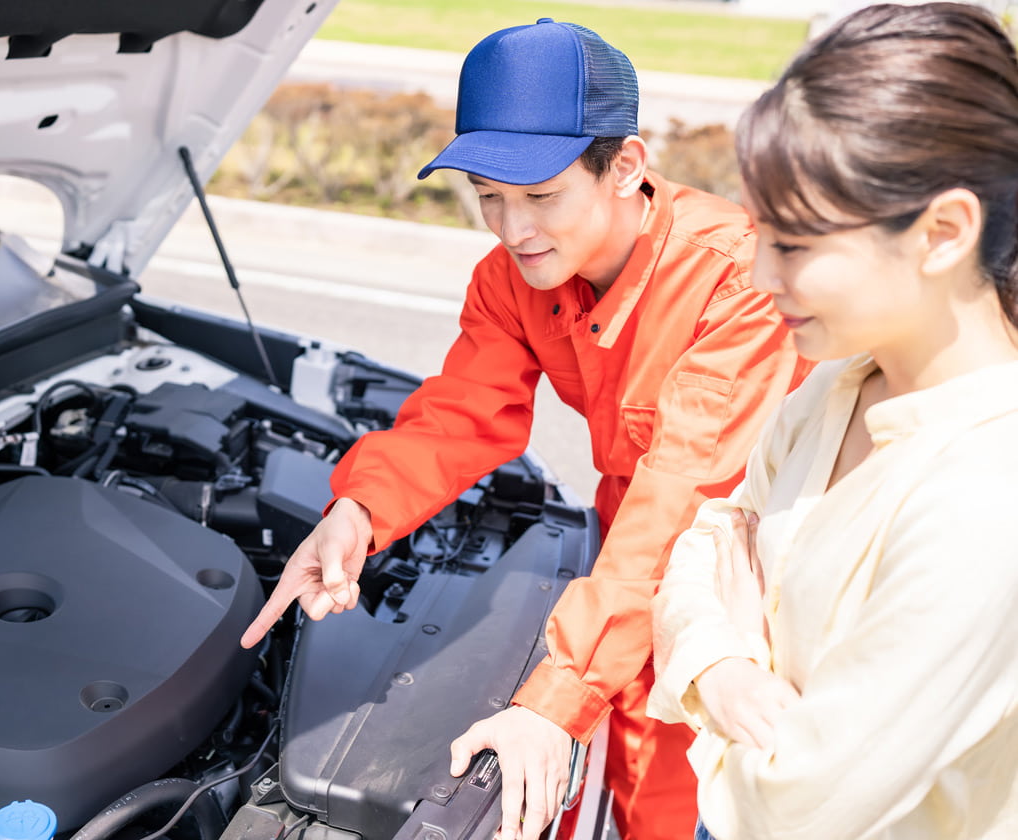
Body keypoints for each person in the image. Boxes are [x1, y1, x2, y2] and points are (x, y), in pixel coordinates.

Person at [240, 19, 811, 840]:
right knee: (631, 785)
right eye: (489, 197)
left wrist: (557, 699)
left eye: (540, 195)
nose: (514, 231)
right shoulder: (512, 278)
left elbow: (680, 501)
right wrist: (358, 511)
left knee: (712, 800)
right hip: (636, 566)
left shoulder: (733, 280)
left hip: (754, 584)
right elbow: (463, 412)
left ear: (625, 168)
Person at [647, 4, 1018, 838]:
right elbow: (707, 540)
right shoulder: (840, 385)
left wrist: (714, 662)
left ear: (943, 231)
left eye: (795, 246)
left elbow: (799, 806)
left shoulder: (988, 496)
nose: (757, 273)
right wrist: (731, 668)